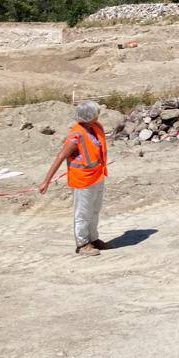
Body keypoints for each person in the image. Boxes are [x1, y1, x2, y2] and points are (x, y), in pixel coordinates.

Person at [38, 101, 108, 255]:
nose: (99, 114)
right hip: (82, 180)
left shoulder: (96, 127)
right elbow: (60, 157)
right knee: (83, 212)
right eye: (96, 113)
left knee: (95, 210)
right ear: (90, 116)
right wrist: (46, 181)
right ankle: (82, 243)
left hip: (97, 175)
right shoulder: (76, 135)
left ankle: (93, 238)